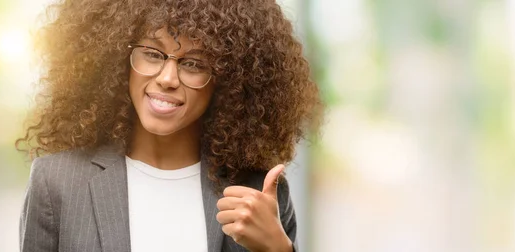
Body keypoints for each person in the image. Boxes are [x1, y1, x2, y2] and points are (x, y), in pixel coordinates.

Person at [16, 0, 322, 251]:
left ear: (228, 82)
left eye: (193, 63)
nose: (167, 78)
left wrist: (278, 249)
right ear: (118, 59)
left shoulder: (258, 192)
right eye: (152, 53)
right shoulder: (58, 182)